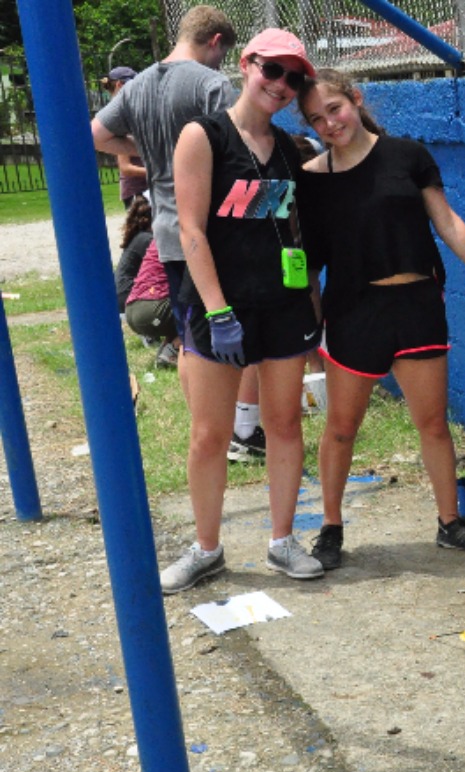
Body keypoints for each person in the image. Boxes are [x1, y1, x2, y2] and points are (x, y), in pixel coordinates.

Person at [294, 68, 465, 569]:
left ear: (356, 100)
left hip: (418, 307)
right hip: (353, 313)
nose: (329, 123)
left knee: (433, 424)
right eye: (316, 119)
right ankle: (330, 529)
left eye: (334, 109)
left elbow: (446, 221)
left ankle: (451, 523)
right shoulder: (312, 180)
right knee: (340, 428)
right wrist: (308, 326)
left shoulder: (408, 155)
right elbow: (311, 264)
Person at [158, 27, 324, 594]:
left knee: (284, 424)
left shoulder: (290, 149)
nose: (281, 84)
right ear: (247, 64)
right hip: (219, 310)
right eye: (272, 70)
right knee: (211, 434)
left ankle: (282, 541)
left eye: (293, 78)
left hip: (281, 306)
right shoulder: (203, 136)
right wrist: (217, 311)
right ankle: (206, 549)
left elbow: (295, 230)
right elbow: (191, 230)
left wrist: (312, 305)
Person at [91, 6, 266, 462]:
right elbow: (236, 150)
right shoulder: (211, 84)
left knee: (190, 338)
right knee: (236, 329)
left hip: (168, 230)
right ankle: (242, 430)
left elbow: (97, 134)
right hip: (212, 230)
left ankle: (205, 428)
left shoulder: (138, 85)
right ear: (215, 42)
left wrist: (148, 152)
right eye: (222, 53)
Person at [113, 195, 178, 368]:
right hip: (139, 301)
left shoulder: (140, 237)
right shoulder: (150, 239)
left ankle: (167, 347)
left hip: (131, 302)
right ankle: (174, 347)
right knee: (196, 307)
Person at [100, 66, 148, 209]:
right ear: (120, 85)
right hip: (137, 191)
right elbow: (125, 167)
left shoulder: (131, 111)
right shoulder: (117, 118)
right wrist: (159, 172)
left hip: (148, 187)